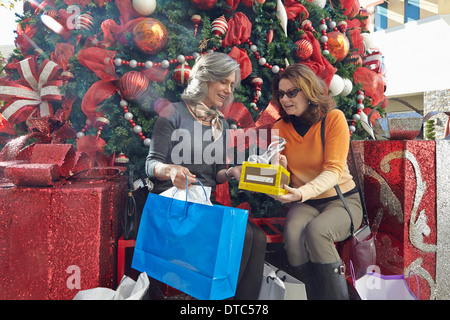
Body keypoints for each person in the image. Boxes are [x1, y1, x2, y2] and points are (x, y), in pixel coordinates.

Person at [145, 52, 266, 300]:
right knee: (242, 233)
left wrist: (231, 172)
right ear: (206, 78)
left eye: (231, 85)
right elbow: (150, 164)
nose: (227, 89)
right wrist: (171, 170)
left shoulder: (219, 122)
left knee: (259, 237)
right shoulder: (173, 113)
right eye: (224, 81)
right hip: (171, 205)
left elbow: (216, 174)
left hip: (202, 202)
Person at [269, 63, 363, 300]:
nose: (285, 99)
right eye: (281, 94)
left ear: (308, 91)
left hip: (342, 201)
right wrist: (278, 171)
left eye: (292, 92)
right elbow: (285, 178)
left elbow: (333, 170)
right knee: (292, 235)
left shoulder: (333, 118)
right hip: (306, 203)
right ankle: (309, 296)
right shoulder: (280, 127)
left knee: (317, 231)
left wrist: (301, 193)